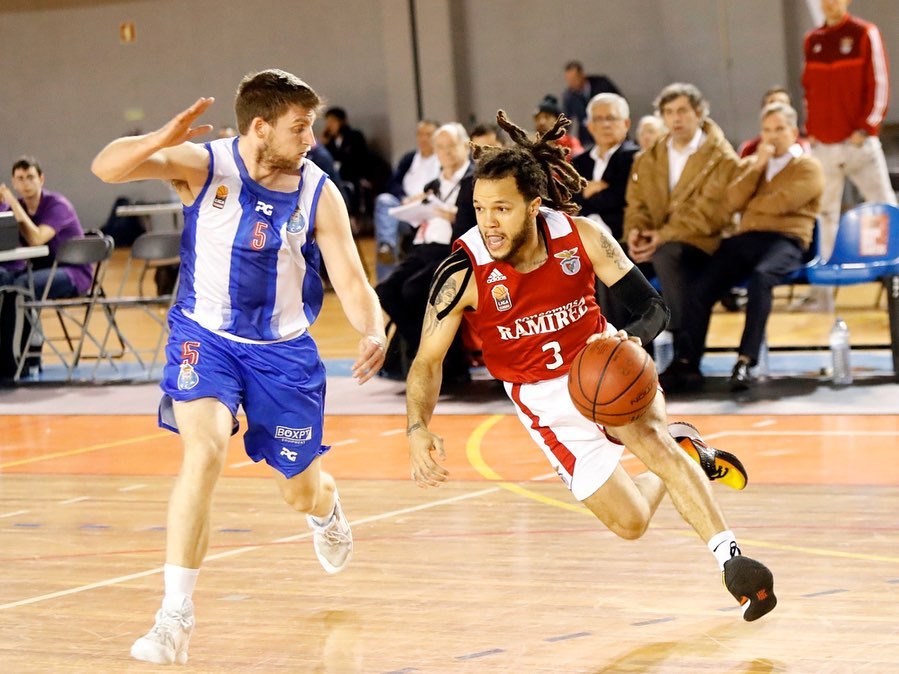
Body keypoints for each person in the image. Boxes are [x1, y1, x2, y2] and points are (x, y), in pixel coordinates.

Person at [405, 110, 776, 623]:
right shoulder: (463, 270)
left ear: (535, 206)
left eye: (502, 209)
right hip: (542, 401)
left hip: (602, 363)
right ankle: (691, 452)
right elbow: (427, 362)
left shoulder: (581, 236)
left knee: (652, 443)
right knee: (630, 524)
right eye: (479, 208)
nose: (488, 222)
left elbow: (653, 309)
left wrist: (631, 340)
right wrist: (417, 426)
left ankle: (731, 560)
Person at [91, 69, 386, 666]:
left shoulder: (317, 190)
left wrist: (372, 328)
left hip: (284, 352)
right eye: (299, 128)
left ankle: (325, 509)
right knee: (203, 453)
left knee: (298, 492)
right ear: (260, 127)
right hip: (205, 336)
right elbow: (107, 169)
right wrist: (158, 139)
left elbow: (351, 279)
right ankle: (174, 617)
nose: (311, 138)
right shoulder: (203, 166)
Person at [682, 103, 824, 391]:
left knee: (762, 278)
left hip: (787, 240)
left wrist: (753, 203)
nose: (773, 136)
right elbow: (732, 201)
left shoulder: (808, 166)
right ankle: (687, 362)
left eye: (780, 129)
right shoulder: (752, 165)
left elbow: (783, 202)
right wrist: (757, 167)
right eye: (767, 130)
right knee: (701, 283)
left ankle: (745, 360)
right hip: (745, 239)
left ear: (794, 132)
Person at [623, 83, 740, 392]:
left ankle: (683, 351)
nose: (676, 118)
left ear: (699, 113)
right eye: (669, 112)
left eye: (683, 111)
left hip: (706, 243)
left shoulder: (722, 158)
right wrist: (637, 233)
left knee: (669, 256)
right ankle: (630, 357)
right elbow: (637, 204)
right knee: (615, 259)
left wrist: (659, 237)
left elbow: (711, 214)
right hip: (660, 240)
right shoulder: (651, 157)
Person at [375, 122, 474, 386]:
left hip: (456, 252)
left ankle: (449, 366)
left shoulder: (474, 180)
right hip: (424, 248)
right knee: (385, 291)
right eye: (440, 148)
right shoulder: (433, 184)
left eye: (451, 146)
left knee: (414, 290)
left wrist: (449, 214)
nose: (446, 153)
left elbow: (471, 224)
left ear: (465, 146)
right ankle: (424, 352)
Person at [802, 0, 895, 265]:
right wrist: (811, 130)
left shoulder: (865, 33)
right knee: (824, 215)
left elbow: (879, 83)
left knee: (884, 207)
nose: (829, 3)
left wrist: (867, 128)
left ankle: (892, 277)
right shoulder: (813, 40)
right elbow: (808, 88)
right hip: (823, 146)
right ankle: (826, 288)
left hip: (859, 145)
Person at [0, 157, 92, 378]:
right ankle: (9, 357)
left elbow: (36, 239)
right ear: (13, 182)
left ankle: (18, 360)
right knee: (6, 280)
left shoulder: (57, 205)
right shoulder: (17, 206)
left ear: (41, 179)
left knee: (21, 286)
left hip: (72, 273)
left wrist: (12, 203)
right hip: (38, 272)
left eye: (30, 177)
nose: (25, 184)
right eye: (20, 179)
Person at [572, 93, 641, 330]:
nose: (606, 124)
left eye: (612, 118)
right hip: (579, 240)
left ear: (626, 123)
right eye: (599, 119)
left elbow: (622, 198)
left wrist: (590, 194)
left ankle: (616, 342)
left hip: (622, 237)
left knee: (604, 260)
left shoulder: (635, 157)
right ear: (589, 126)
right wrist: (593, 192)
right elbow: (570, 201)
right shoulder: (579, 163)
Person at [373, 119, 441, 276]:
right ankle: (387, 250)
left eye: (428, 134)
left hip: (428, 211)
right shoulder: (409, 158)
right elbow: (393, 183)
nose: (423, 138)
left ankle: (387, 246)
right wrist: (404, 198)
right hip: (405, 208)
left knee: (388, 226)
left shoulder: (441, 159)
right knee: (384, 201)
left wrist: (423, 197)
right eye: (420, 134)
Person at [562, 60, 622, 147]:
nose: (572, 83)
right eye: (569, 80)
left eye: (574, 79)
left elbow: (619, 102)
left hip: (609, 130)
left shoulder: (602, 84)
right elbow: (566, 120)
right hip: (587, 137)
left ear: (582, 75)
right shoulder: (569, 96)